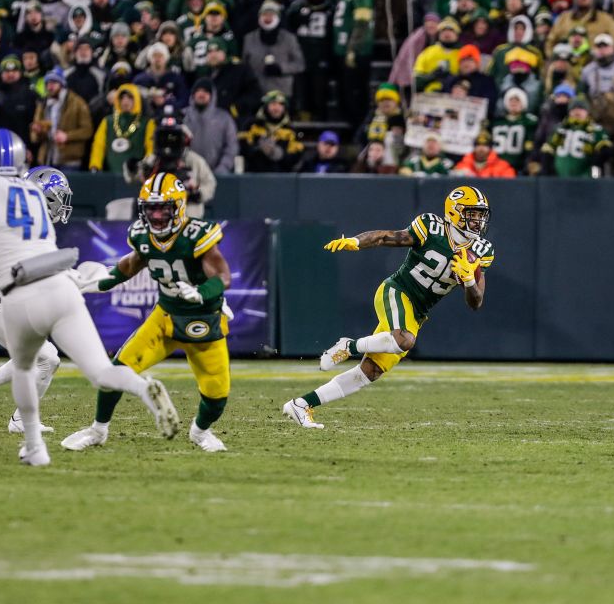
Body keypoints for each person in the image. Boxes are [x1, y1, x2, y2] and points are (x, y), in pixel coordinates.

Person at [0, 130, 180, 466]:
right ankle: (142, 388)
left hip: (20, 291)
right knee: (83, 366)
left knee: (31, 363)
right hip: (41, 288)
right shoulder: (35, 203)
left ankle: (31, 443)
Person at [282, 187, 494, 429]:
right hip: (397, 291)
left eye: (481, 215)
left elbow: (476, 302)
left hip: (417, 313)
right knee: (404, 341)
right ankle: (348, 346)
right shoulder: (431, 227)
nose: (478, 221)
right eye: (473, 214)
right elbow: (385, 237)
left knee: (369, 371)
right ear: (455, 213)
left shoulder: (482, 251)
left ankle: (301, 404)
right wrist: (355, 241)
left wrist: (468, 281)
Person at [62, 172, 233, 453]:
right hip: (164, 318)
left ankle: (201, 433)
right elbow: (130, 266)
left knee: (217, 396)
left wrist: (202, 292)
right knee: (117, 370)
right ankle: (97, 430)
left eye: (162, 208)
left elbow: (224, 276)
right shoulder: (142, 235)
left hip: (203, 321)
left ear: (177, 207)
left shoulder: (195, 234)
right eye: (150, 208)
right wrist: (96, 282)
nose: (155, 216)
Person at [0, 166, 75, 434]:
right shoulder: (22, 225)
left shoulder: (27, 222)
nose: (62, 205)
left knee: (40, 358)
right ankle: (20, 420)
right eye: (58, 197)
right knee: (47, 358)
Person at [31, 69, 95, 167]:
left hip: (69, 160)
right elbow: (34, 136)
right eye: (48, 83)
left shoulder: (78, 103)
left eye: (54, 82)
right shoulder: (43, 104)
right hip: (48, 158)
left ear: (62, 84)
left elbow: (87, 130)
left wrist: (67, 136)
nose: (50, 86)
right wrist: (39, 131)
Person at [88, 83, 153, 174]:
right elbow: (98, 145)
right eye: (122, 98)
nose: (125, 101)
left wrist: (147, 167)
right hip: (110, 175)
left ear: (137, 99)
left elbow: (151, 147)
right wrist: (95, 165)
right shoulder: (108, 121)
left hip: (137, 175)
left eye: (130, 98)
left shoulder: (147, 123)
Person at [542, 97, 612, 178]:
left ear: (587, 112)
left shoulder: (595, 129)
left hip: (585, 180)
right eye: (574, 108)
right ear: (569, 111)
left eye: (581, 108)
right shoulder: (560, 129)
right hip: (559, 179)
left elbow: (605, 149)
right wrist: (548, 171)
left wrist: (595, 171)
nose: (577, 111)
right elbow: (548, 149)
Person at [183, 78, 240, 174]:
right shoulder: (183, 116)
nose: (201, 94)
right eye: (198, 91)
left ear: (212, 95)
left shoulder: (224, 118)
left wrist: (223, 168)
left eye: (205, 91)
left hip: (216, 175)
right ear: (193, 94)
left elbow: (231, 146)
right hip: (186, 174)